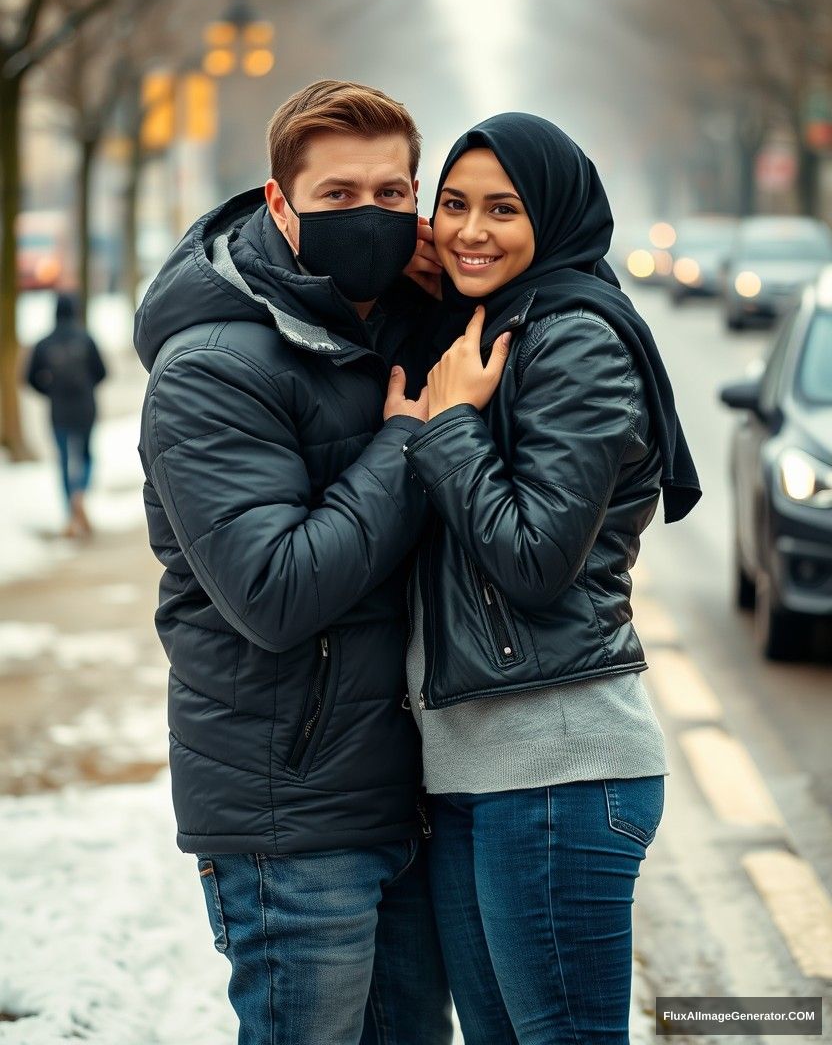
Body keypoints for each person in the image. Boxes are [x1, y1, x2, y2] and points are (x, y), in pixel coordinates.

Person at [134, 80, 451, 1045]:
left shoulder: (389, 325)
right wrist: (404, 445)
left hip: (411, 795)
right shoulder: (214, 369)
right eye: (340, 196)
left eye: (394, 196)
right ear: (280, 204)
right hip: (294, 814)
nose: (372, 217)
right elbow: (274, 593)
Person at [401, 113, 701, 1045]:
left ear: (556, 218)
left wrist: (445, 430)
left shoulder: (573, 337)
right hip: (475, 765)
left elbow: (534, 561)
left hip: (556, 765)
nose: (470, 230)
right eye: (452, 205)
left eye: (502, 209)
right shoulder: (493, 328)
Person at [26, 292, 107, 538]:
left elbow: (30, 378)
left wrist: (49, 390)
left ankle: (69, 514)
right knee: (85, 455)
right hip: (85, 408)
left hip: (58, 410)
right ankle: (80, 492)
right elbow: (102, 372)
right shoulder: (86, 338)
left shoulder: (43, 343)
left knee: (63, 460)